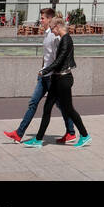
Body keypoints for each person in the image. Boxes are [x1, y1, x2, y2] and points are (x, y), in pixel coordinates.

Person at [4, 7, 76, 144]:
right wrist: (42, 70)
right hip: (44, 76)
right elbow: (47, 56)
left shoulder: (54, 36)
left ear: (50, 19)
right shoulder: (47, 34)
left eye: (43, 18)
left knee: (62, 105)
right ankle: (19, 134)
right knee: (34, 103)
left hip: (51, 77)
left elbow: (59, 57)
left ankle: (71, 132)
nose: (40, 20)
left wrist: (52, 73)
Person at [23, 16, 91, 146]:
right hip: (56, 78)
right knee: (47, 108)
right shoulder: (62, 39)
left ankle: (84, 135)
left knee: (69, 109)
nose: (52, 31)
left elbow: (59, 61)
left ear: (58, 26)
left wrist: (45, 70)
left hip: (64, 79)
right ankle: (38, 140)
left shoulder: (66, 40)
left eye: (52, 28)